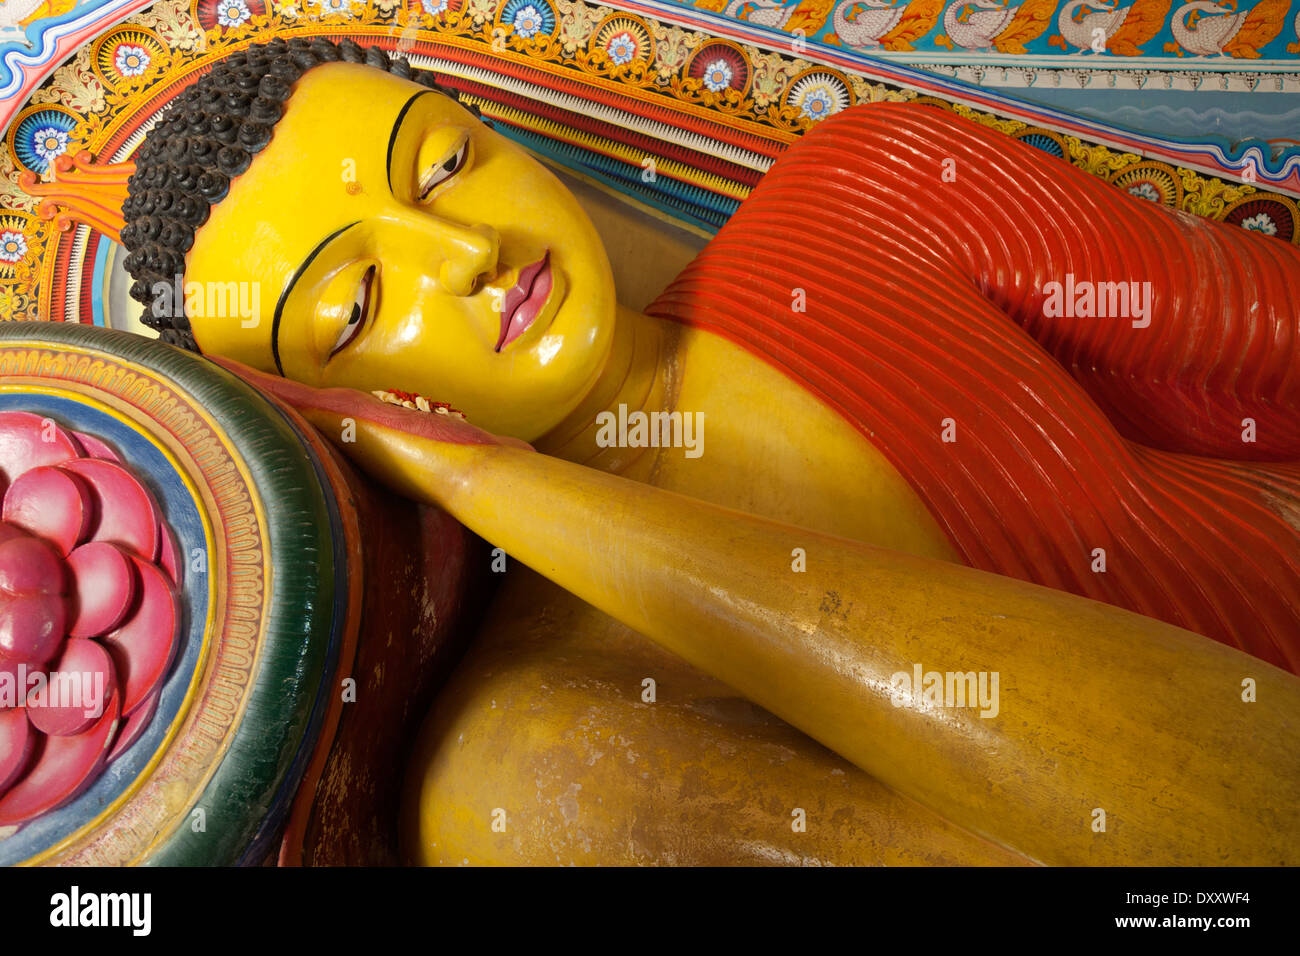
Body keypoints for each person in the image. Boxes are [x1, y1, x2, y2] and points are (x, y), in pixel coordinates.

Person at [120, 36, 1300, 865]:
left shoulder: (861, 190)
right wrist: (483, 476)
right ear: (321, 411)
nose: (467, 247)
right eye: (357, 304)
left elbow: (1260, 326)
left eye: (441, 162)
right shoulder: (531, 750)